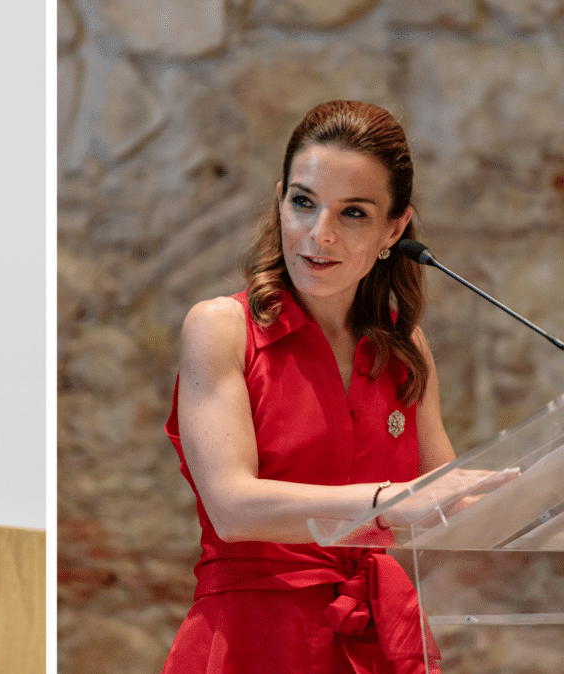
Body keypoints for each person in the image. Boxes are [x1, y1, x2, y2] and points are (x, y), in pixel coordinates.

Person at [162, 100, 514, 674]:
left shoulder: (404, 348)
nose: (318, 234)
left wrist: (535, 496)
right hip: (253, 641)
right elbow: (232, 507)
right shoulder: (221, 328)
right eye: (303, 203)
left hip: (373, 640)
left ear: (393, 229)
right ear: (280, 200)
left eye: (352, 213)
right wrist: (389, 503)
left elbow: (446, 501)